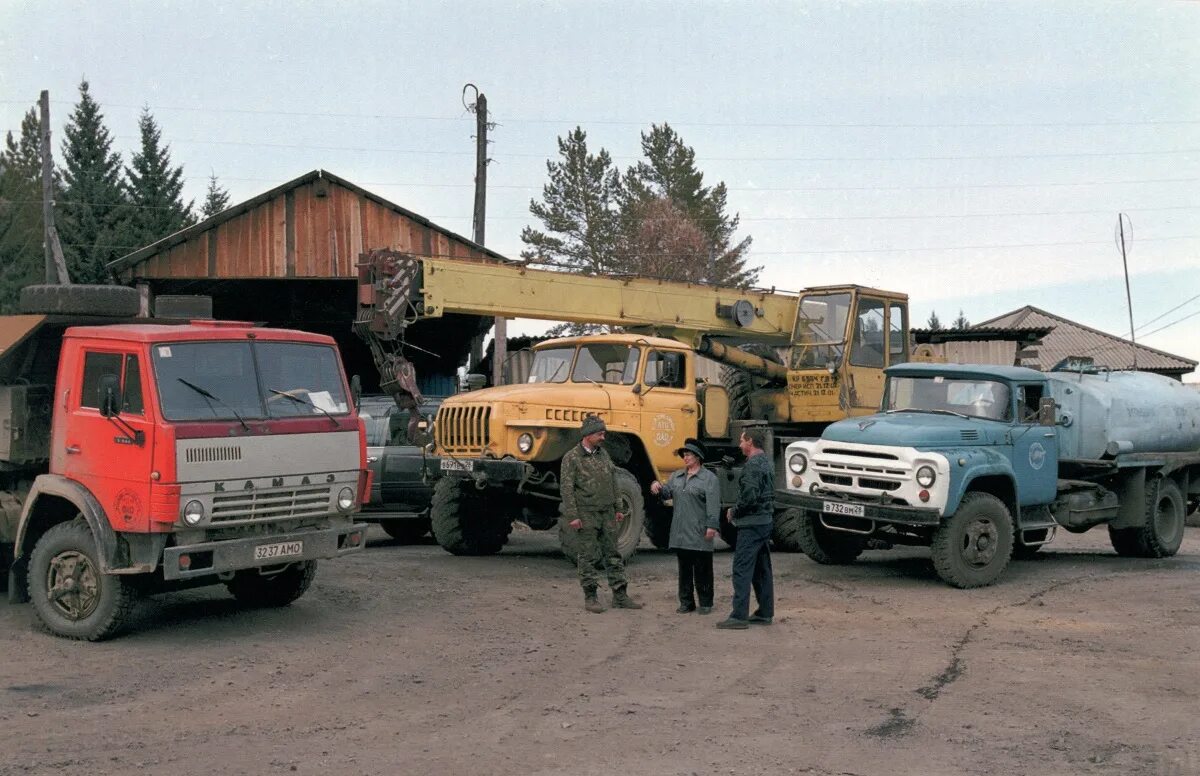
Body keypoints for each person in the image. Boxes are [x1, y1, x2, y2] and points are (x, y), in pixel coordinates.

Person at [560, 414, 644, 613]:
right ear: (588, 435)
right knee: (588, 556)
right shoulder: (571, 458)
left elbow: (613, 481)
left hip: (607, 513)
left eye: (603, 433)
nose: (603, 437)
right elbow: (567, 489)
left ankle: (620, 595)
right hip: (587, 513)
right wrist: (573, 516)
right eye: (600, 434)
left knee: (613, 554)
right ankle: (591, 597)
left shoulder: (603, 454)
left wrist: (619, 508)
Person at [651, 438, 721, 615]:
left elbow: (714, 505)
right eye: (684, 455)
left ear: (698, 457)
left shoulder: (709, 479)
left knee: (703, 569)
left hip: (699, 532)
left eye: (689, 454)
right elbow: (667, 494)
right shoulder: (677, 476)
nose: (685, 458)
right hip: (680, 532)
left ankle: (705, 603)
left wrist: (712, 526)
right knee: (684, 570)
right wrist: (657, 486)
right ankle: (686, 603)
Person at [718, 427, 775, 630]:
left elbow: (749, 496)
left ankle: (739, 616)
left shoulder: (752, 466)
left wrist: (734, 511)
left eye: (742, 441)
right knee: (762, 569)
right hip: (765, 522)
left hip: (751, 524)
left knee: (741, 569)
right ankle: (765, 612)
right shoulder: (767, 462)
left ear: (750, 442)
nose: (740, 444)